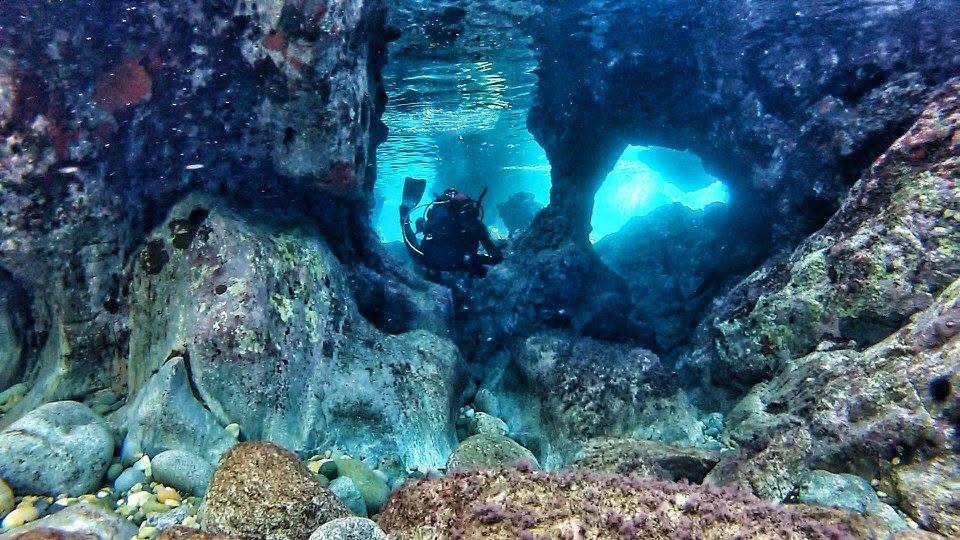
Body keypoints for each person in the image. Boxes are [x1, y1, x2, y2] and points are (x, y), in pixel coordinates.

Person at [399, 178, 503, 277]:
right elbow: (494, 255)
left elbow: (426, 230)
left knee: (417, 257)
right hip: (452, 263)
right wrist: (479, 261)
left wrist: (479, 261)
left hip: (438, 262)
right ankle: (404, 217)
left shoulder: (472, 225)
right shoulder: (474, 224)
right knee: (418, 257)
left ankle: (404, 216)